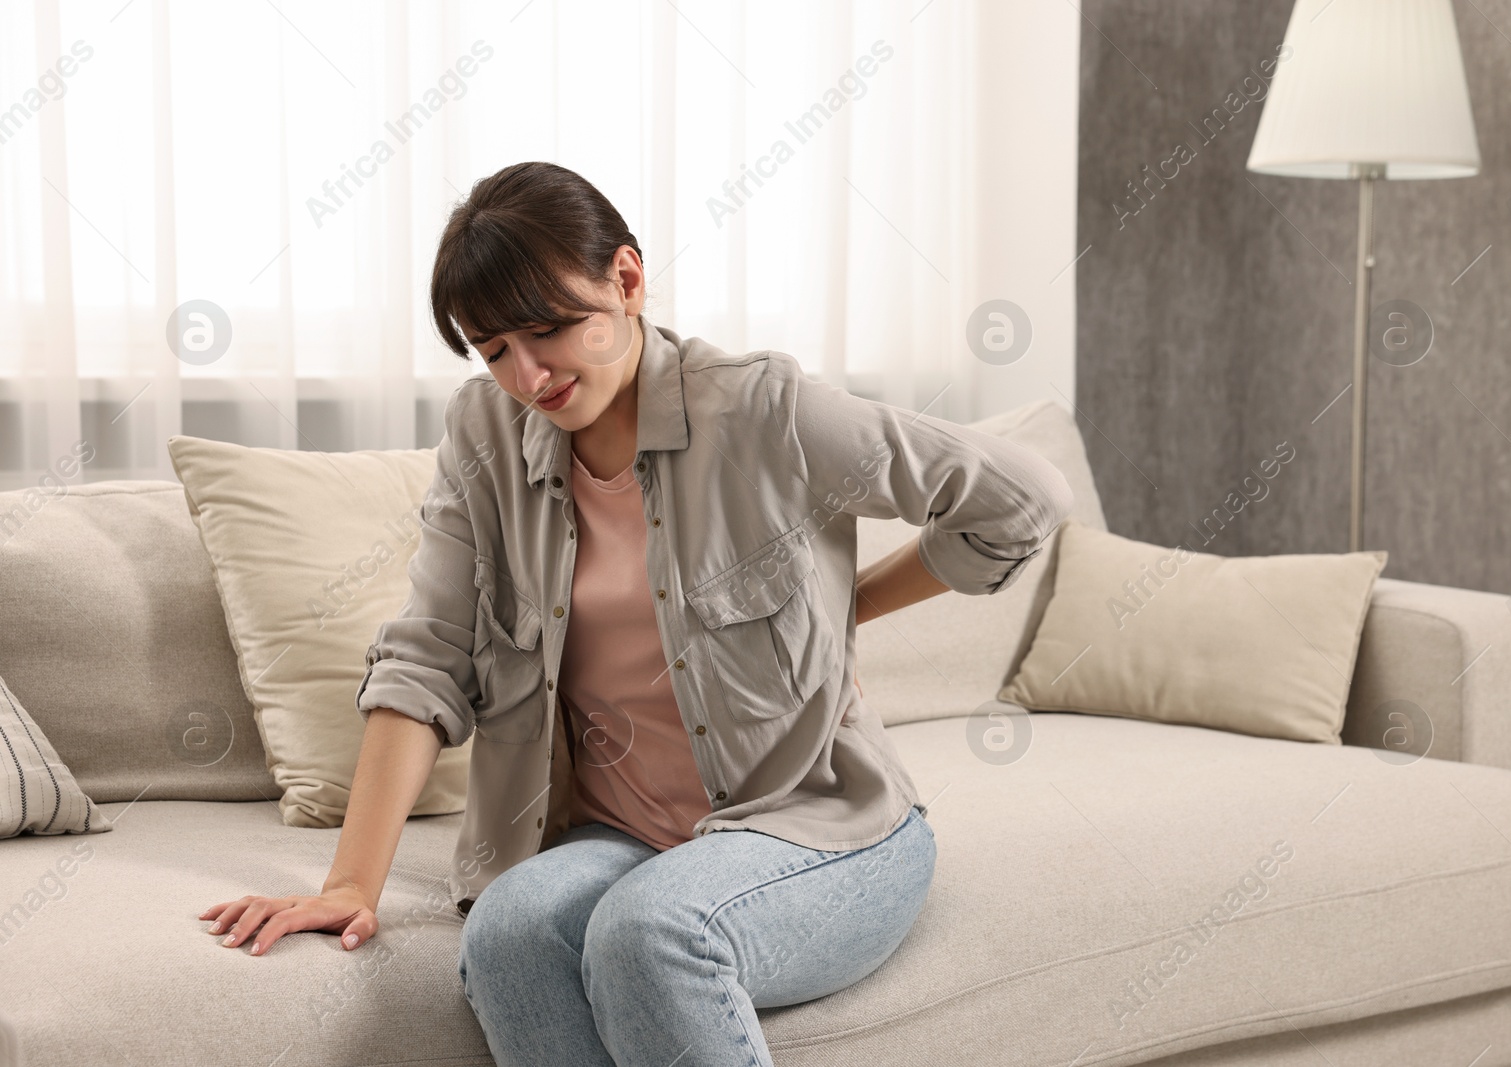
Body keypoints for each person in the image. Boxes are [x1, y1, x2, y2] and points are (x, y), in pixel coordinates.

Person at [197, 161, 1075, 1066]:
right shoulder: (484, 437)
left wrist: (848, 603)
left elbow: (1020, 495)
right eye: (494, 348)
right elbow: (427, 656)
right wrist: (350, 882)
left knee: (649, 931)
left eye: (550, 329)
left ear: (625, 278)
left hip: (820, 825)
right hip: (626, 835)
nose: (529, 374)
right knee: (506, 931)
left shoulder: (761, 409)